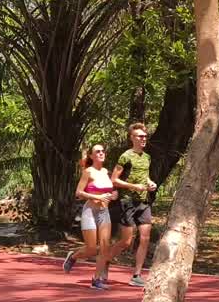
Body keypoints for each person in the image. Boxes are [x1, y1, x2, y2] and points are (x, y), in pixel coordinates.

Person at [106, 122, 157, 287]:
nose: (143, 139)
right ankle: (104, 260)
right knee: (126, 241)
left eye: (145, 136)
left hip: (143, 202)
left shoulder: (147, 157)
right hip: (127, 201)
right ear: (132, 138)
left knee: (145, 238)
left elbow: (145, 177)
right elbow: (114, 179)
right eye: (140, 136)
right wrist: (133, 187)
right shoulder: (125, 156)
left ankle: (137, 275)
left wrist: (151, 184)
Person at [63, 144, 118, 290]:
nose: (101, 153)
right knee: (92, 249)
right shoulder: (88, 172)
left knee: (105, 247)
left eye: (102, 151)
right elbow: (78, 192)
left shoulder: (107, 172)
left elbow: (112, 192)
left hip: (104, 212)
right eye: (97, 151)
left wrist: (113, 195)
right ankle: (73, 257)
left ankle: (96, 280)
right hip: (90, 212)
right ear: (92, 156)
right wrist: (97, 197)